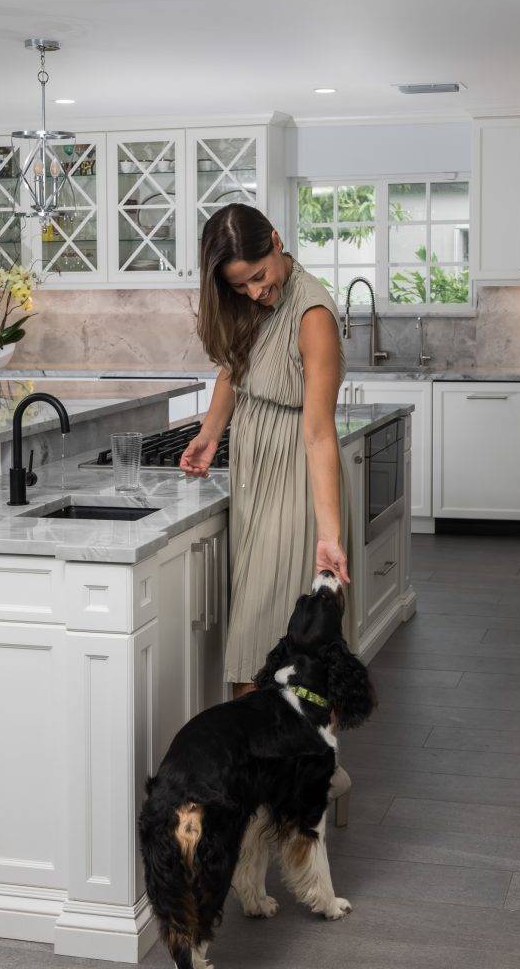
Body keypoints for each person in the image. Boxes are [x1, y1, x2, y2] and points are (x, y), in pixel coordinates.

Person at [179, 203, 353, 819]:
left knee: (268, 645)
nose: (256, 291)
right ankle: (295, 782)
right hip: (253, 467)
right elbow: (233, 369)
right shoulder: (251, 304)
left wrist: (328, 537)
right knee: (256, 643)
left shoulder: (311, 315)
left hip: (295, 476)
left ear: (277, 240)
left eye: (258, 275)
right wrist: (209, 434)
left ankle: (284, 791)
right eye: (241, 284)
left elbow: (319, 433)